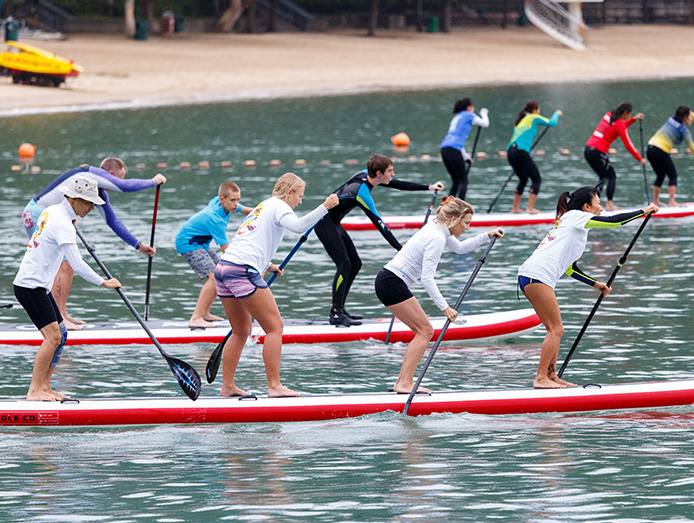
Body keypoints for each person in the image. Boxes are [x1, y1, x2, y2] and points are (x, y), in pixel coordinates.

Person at [518, 186, 657, 389]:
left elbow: (569, 269)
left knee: (554, 329)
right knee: (556, 329)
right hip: (536, 276)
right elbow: (614, 221)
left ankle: (551, 376)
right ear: (586, 207)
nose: (601, 208)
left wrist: (595, 284)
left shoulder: (573, 224)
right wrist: (643, 212)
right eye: (598, 203)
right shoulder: (576, 217)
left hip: (532, 276)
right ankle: (540, 378)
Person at [215, 173, 339, 398]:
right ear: (289, 192)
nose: (299, 202)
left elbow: (247, 240)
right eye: (299, 196)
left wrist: (268, 264)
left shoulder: (263, 206)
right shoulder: (281, 206)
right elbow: (299, 226)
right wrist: (325, 206)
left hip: (224, 268)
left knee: (241, 331)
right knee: (275, 328)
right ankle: (274, 386)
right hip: (242, 270)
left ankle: (227, 387)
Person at [375, 197, 503, 394]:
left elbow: (460, 248)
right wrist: (445, 308)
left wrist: (486, 236)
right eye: (466, 223)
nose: (467, 228)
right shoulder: (436, 238)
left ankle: (402, 383)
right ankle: (404, 383)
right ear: (453, 219)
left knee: (422, 331)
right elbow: (427, 278)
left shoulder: (438, 227)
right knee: (425, 331)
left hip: (388, 281)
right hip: (391, 283)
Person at [13, 174, 122, 401]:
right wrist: (103, 282)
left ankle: (45, 387)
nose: (92, 207)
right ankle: (34, 390)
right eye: (89, 202)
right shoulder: (63, 223)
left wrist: (69, 221)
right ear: (73, 199)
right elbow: (78, 265)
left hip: (38, 286)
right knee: (52, 337)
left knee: (61, 334)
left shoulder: (52, 210)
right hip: (30, 287)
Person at [22, 156, 165, 330]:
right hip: (38, 212)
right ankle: (58, 318)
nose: (115, 184)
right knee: (65, 265)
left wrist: (138, 245)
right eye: (117, 178)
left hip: (39, 212)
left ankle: (62, 314)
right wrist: (153, 181)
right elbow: (124, 186)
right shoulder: (90, 175)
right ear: (110, 173)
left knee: (64, 264)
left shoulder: (95, 192)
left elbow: (113, 222)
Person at [315, 154, 445, 327]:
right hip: (323, 223)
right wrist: (402, 249)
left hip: (334, 222)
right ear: (378, 173)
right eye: (390, 171)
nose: (392, 174)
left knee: (356, 263)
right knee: (344, 264)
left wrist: (428, 187)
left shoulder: (365, 174)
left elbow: (397, 184)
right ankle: (336, 313)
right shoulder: (361, 193)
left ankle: (341, 309)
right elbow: (381, 225)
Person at [175, 181, 253, 329]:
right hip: (188, 243)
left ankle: (205, 313)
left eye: (238, 200)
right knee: (213, 276)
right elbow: (226, 250)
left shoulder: (223, 203)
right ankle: (196, 317)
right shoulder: (214, 218)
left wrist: (267, 214)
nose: (236, 204)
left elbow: (250, 211)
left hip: (200, 243)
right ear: (222, 199)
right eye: (233, 200)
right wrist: (247, 261)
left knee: (219, 275)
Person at [584, 102, 648, 211]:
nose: (628, 116)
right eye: (629, 114)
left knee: (603, 176)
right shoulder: (619, 125)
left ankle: (591, 205)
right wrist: (640, 159)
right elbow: (628, 144)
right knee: (611, 176)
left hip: (588, 149)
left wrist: (633, 119)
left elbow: (618, 127)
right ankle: (609, 205)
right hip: (598, 151)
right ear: (625, 113)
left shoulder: (608, 116)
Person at [646, 106, 694, 207]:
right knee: (673, 175)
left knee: (660, 175)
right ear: (685, 117)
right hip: (660, 150)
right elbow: (693, 147)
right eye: (690, 116)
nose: (692, 118)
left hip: (650, 148)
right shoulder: (684, 131)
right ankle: (671, 202)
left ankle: (655, 201)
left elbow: (692, 116)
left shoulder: (672, 119)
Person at [506, 101, 562, 214]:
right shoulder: (533, 117)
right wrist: (557, 113)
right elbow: (551, 123)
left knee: (523, 178)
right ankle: (530, 208)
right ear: (535, 110)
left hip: (511, 152)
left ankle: (515, 208)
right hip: (520, 151)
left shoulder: (521, 120)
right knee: (536, 179)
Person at [440, 97, 489, 200]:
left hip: (444, 149)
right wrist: (484, 113)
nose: (473, 108)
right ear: (468, 107)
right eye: (472, 106)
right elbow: (485, 123)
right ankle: (461, 208)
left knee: (456, 181)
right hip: (453, 150)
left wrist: (466, 158)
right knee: (463, 181)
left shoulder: (456, 117)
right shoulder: (468, 115)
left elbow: (458, 145)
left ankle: (447, 207)